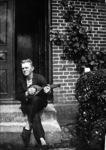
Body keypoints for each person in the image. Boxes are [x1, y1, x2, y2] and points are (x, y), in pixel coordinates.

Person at [16, 59, 50, 150]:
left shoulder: (40, 78)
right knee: (35, 115)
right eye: (23, 68)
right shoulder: (20, 80)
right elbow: (18, 96)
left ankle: (28, 123)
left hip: (39, 102)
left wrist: (47, 91)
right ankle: (42, 140)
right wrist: (27, 93)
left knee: (35, 99)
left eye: (26, 68)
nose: (24, 70)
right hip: (27, 103)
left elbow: (45, 92)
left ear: (32, 68)